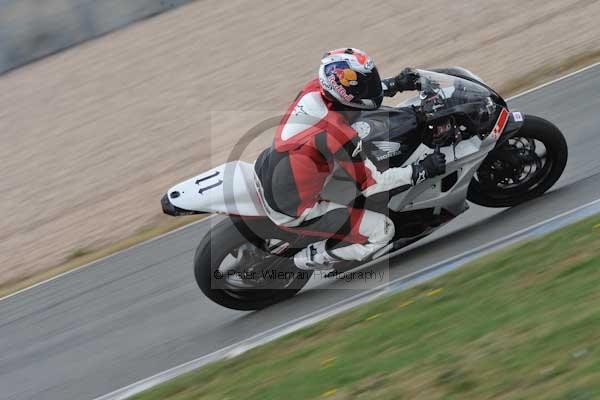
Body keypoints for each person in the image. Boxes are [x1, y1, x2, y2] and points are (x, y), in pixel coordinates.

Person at [254, 48, 446, 270]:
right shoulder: (338, 134)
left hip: (271, 167)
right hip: (296, 209)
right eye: (365, 81)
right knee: (383, 231)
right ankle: (301, 262)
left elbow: (355, 95)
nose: (368, 84)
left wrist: (393, 84)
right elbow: (374, 184)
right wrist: (421, 170)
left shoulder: (315, 88)